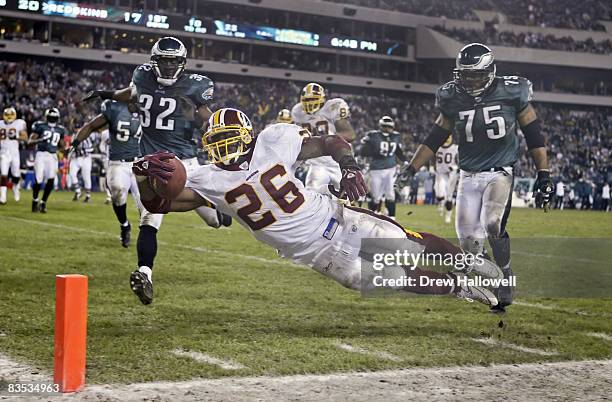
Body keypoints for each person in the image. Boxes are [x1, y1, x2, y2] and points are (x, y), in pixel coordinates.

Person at [133, 108, 504, 308]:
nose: (222, 148)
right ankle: (459, 288)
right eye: (217, 141)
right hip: (317, 255)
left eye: (229, 139)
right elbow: (161, 204)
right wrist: (146, 181)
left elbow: (330, 140)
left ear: (246, 136)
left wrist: (349, 165)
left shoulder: (273, 139)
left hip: (337, 220)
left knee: (407, 245)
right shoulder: (206, 179)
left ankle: (468, 262)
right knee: (398, 279)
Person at [398, 43, 552, 312]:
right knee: (468, 241)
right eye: (465, 74)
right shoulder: (451, 96)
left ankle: (506, 276)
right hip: (468, 174)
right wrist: (411, 169)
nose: (469, 80)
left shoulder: (513, 90)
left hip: (500, 171)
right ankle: (490, 275)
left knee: (492, 224)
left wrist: (544, 172)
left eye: (475, 74)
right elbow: (434, 139)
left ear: (490, 71)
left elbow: (534, 134)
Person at [82, 36, 230, 304]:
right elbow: (131, 94)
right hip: (152, 164)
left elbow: (207, 115)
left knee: (213, 221)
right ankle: (144, 273)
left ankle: (219, 212)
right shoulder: (142, 77)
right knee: (149, 221)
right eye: (164, 61)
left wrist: (215, 127)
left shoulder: (195, 86)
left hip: (187, 162)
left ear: (182, 63)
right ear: (154, 61)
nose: (169, 67)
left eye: (174, 62)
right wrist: (107, 95)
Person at [68, 100, 143, 247]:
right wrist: (74, 144)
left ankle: (145, 236)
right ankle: (124, 225)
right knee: (118, 192)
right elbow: (92, 127)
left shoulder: (148, 113)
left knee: (145, 204)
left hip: (140, 163)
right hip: (118, 162)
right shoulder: (112, 117)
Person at [291, 83, 355, 193]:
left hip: (337, 161)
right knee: (311, 195)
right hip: (317, 163)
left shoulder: (332, 107)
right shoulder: (298, 112)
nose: (310, 102)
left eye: (313, 99)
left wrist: (328, 140)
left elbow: (350, 134)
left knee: (347, 198)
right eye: (307, 99)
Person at [359, 116, 407, 219]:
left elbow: (398, 150)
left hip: (391, 168)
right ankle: (372, 217)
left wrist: (405, 161)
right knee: (375, 196)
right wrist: (368, 152)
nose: (386, 129)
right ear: (380, 126)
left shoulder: (396, 136)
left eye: (388, 127)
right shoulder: (373, 135)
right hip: (376, 169)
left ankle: (392, 218)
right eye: (384, 127)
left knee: (390, 194)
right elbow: (364, 150)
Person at [28, 108, 67, 213]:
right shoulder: (40, 126)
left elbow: (62, 146)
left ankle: (43, 202)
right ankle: (35, 200)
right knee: (39, 179)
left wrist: (66, 149)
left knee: (51, 179)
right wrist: (40, 140)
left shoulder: (60, 129)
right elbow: (30, 141)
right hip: (41, 154)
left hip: (53, 156)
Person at [0, 107, 28, 204]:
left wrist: (16, 136)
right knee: (3, 174)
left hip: (15, 153)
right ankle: (3, 197)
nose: (8, 117)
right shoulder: (0, 124)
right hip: (3, 153)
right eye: (7, 115)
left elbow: (25, 137)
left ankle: (16, 189)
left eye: (10, 115)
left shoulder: (19, 123)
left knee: (16, 175)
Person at [434, 136, 459, 224]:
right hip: (440, 173)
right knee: (439, 194)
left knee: (449, 196)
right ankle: (441, 203)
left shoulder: (455, 148)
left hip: (451, 173)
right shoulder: (436, 147)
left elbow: (460, 161)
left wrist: (456, 167)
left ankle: (448, 215)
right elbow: (431, 158)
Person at [68, 134, 94, 203]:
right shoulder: (73, 136)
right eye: (76, 128)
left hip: (86, 158)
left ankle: (88, 195)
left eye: (78, 128)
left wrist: (82, 150)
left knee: (86, 177)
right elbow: (71, 147)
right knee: (71, 174)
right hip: (76, 158)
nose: (76, 129)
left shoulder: (86, 137)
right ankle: (78, 191)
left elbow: (91, 149)